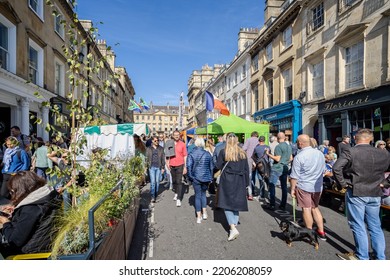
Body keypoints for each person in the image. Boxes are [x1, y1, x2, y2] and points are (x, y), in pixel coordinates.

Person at [332, 128, 390, 260]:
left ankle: (362, 256)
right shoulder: (383, 153)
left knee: (358, 225)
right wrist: (386, 183)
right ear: (371, 139)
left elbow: (336, 168)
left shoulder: (351, 151)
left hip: (357, 191)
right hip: (375, 191)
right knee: (375, 226)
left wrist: (343, 184)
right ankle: (380, 257)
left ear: (355, 138)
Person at [0, 171, 60, 258]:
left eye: (12, 191)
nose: (11, 195)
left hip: (29, 253)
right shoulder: (46, 197)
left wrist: (5, 222)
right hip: (42, 246)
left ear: (21, 190)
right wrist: (17, 210)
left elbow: (15, 241)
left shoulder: (31, 209)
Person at [289, 134, 327, 240]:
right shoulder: (320, 154)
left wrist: (292, 189)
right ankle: (321, 231)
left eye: (297, 142)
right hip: (317, 186)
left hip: (304, 185)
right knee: (315, 208)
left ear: (300, 143)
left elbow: (294, 176)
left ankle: (309, 232)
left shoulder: (299, 156)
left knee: (306, 209)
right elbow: (323, 170)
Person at [216, 133, 249, 241]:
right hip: (240, 180)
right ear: (237, 141)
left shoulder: (223, 152)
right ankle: (234, 223)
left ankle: (232, 227)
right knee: (236, 202)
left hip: (227, 180)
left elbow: (218, 166)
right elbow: (246, 169)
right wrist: (247, 183)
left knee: (226, 203)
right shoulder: (242, 153)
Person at [263, 132, 292, 211]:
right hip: (285, 167)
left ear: (278, 138)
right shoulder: (289, 146)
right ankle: (283, 204)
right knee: (284, 186)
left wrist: (268, 154)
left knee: (272, 185)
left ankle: (272, 204)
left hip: (277, 167)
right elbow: (291, 158)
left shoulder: (278, 147)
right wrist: (285, 162)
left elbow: (277, 158)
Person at [186, 138, 214, 223]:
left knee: (197, 196)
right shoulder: (207, 153)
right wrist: (211, 177)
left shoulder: (191, 153)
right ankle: (204, 212)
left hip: (196, 177)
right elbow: (211, 167)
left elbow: (189, 166)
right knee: (203, 194)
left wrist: (191, 177)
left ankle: (199, 217)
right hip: (205, 177)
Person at [168, 130, 187, 207]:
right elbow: (167, 154)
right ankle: (176, 192)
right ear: (173, 135)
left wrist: (185, 166)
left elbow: (185, 155)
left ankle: (179, 198)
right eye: (175, 135)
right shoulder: (170, 143)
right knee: (174, 181)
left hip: (180, 164)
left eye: (178, 135)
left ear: (179, 136)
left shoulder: (182, 144)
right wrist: (167, 162)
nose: (176, 136)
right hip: (172, 164)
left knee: (179, 181)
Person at [145, 136, 165, 203]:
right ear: (152, 141)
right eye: (155, 140)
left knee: (157, 182)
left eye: (158, 140)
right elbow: (146, 158)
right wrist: (145, 167)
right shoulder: (149, 149)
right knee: (153, 182)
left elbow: (163, 158)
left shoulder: (161, 149)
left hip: (158, 167)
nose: (157, 142)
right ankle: (153, 196)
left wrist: (163, 168)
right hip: (152, 167)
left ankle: (156, 194)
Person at [252, 136, 270, 202]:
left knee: (261, 180)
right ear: (264, 140)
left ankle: (262, 195)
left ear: (259, 141)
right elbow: (269, 155)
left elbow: (253, 157)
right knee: (268, 181)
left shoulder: (256, 148)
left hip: (259, 166)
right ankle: (270, 195)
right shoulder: (268, 147)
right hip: (267, 166)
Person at [242, 131, 259, 200]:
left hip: (249, 159)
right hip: (258, 159)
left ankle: (250, 193)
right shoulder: (259, 140)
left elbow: (243, 148)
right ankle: (257, 191)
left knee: (249, 175)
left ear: (251, 135)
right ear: (257, 135)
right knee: (257, 176)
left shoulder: (248, 140)